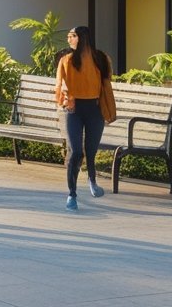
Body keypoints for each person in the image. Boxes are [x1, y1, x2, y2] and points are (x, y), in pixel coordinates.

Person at [55, 25, 112, 211]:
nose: (69, 40)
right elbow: (60, 87)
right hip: (74, 110)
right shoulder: (66, 60)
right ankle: (72, 194)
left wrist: (108, 108)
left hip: (94, 109)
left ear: (81, 38)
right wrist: (65, 100)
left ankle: (92, 180)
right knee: (76, 152)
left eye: (72, 36)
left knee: (91, 151)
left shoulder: (101, 58)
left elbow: (106, 83)